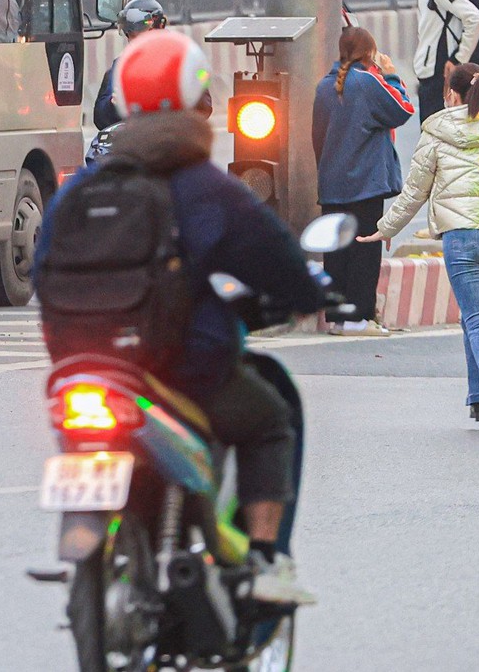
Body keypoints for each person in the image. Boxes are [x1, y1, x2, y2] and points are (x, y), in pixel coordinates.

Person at [35, 30, 332, 605]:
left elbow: (41, 274)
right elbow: (278, 258)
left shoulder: (79, 192)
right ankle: (268, 559)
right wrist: (312, 293)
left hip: (81, 371)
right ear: (198, 98)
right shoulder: (205, 188)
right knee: (269, 420)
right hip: (179, 371)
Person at [362, 63, 479, 433]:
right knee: (473, 317)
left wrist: (384, 229)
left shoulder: (436, 132)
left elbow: (414, 192)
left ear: (451, 94)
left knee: (476, 320)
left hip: (464, 238)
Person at [312, 26, 413, 337]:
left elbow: (318, 137)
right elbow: (402, 109)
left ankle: (338, 319)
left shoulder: (325, 86)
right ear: (369, 53)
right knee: (365, 250)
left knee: (337, 251)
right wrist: (393, 75)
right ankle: (358, 318)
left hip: (333, 181)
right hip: (366, 181)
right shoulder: (368, 83)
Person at [93, 0, 168, 130]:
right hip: (133, 140)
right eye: (130, 35)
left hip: (169, 139)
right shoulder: (119, 68)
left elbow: (203, 105)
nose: (133, 40)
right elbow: (100, 119)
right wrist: (113, 105)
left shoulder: (177, 59)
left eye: (138, 34)